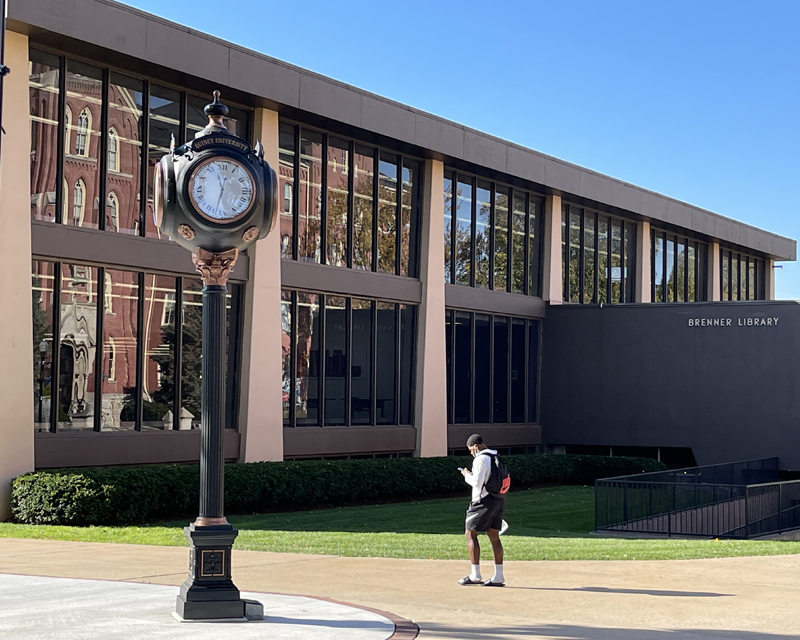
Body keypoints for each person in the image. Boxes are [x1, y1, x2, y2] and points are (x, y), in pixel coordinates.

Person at [458, 434, 505, 587]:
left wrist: (466, 475)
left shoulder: (480, 459)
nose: (471, 452)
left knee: (470, 534)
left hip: (482, 501)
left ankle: (475, 574)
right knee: (494, 535)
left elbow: (477, 483)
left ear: (476, 446)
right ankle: (498, 576)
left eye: (471, 449)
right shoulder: (495, 455)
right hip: (498, 499)